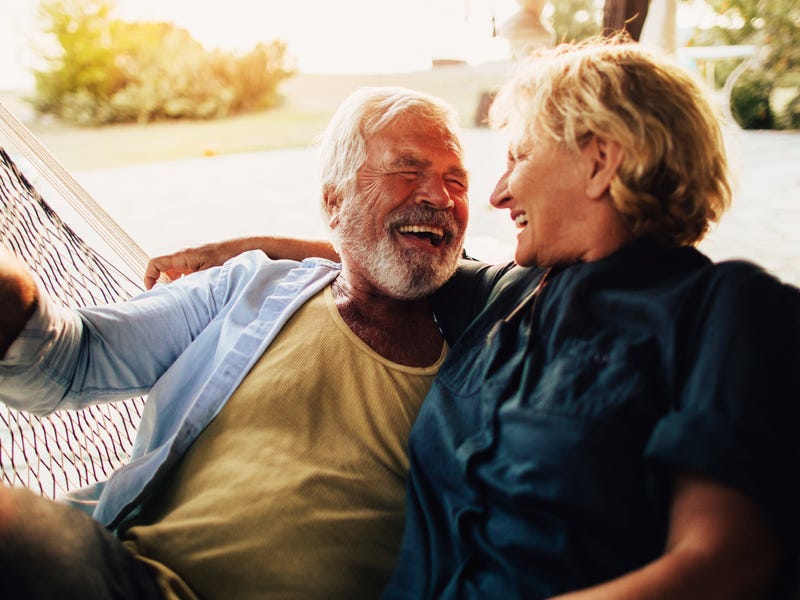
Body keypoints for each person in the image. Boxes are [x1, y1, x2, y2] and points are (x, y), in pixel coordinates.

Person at [149, 39, 800, 598]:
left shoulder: (726, 310)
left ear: (600, 162)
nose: (496, 193)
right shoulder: (497, 297)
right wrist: (232, 251)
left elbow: (724, 565)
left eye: (518, 156)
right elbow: (379, 250)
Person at [0, 86, 469, 599]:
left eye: (456, 180)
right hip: (124, 577)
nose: (441, 197)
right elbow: (68, 363)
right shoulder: (247, 287)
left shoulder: (490, 348)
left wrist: (265, 241)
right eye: (409, 171)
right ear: (333, 201)